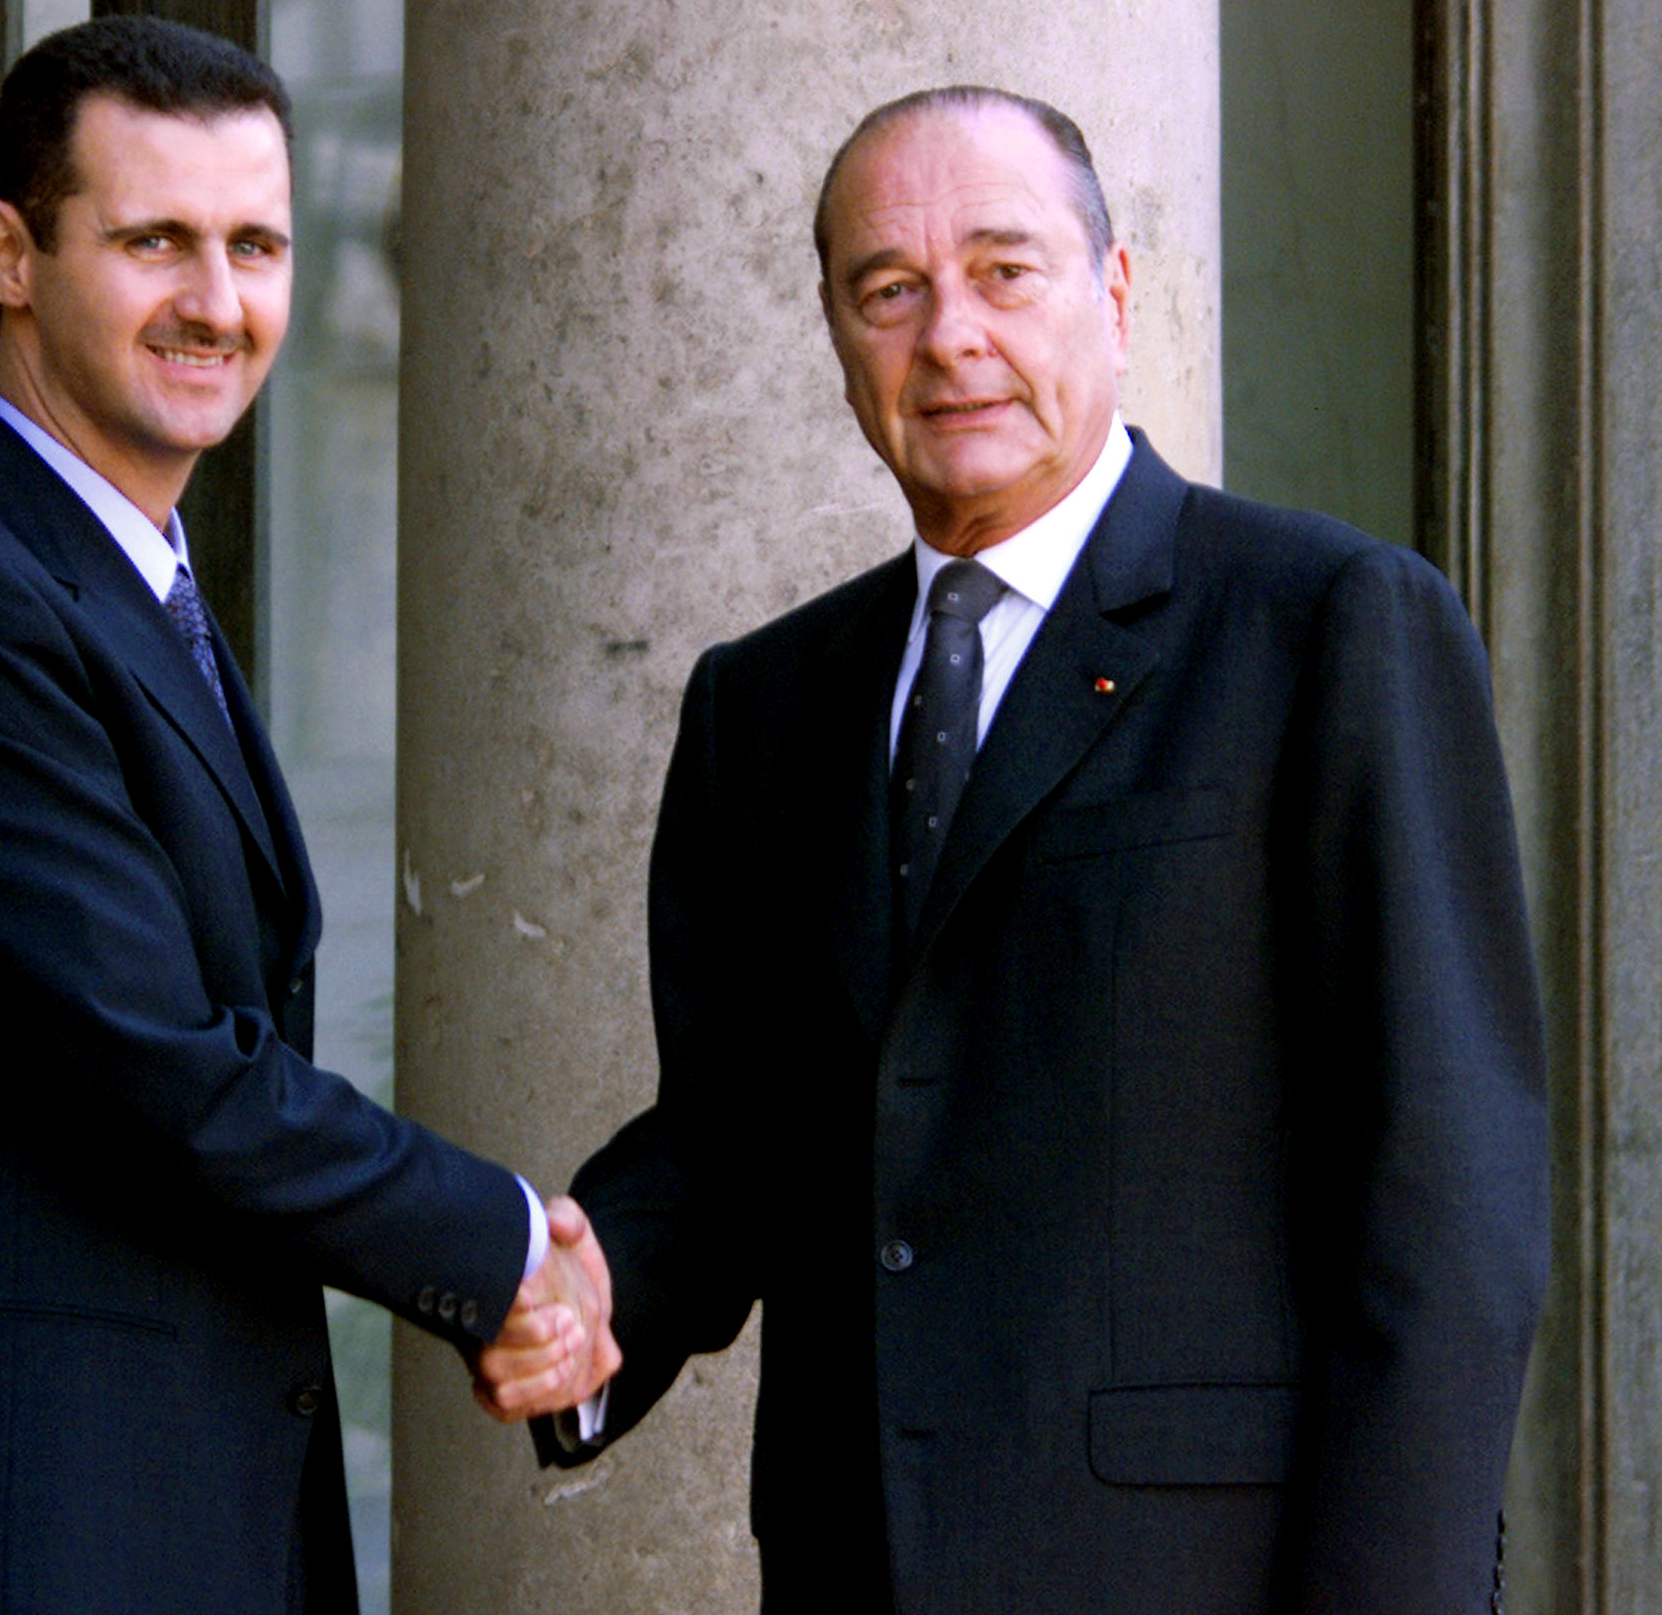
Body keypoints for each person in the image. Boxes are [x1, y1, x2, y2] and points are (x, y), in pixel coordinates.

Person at [498, 87, 1550, 1612]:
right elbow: (735, 1137)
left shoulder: (1327, 627)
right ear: (839, 334)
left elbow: (1445, 1206)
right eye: (891, 290)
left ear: (1113, 295)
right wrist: (597, 1290)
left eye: (1006, 270)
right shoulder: (763, 705)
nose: (950, 337)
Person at [0, 16, 614, 1613]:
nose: (219, 305)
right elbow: (173, 1074)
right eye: (155, 241)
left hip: (172, 1519)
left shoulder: (122, 579)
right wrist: (503, 1244)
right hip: (27, 1539)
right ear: (8, 253)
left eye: (256, 245)